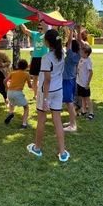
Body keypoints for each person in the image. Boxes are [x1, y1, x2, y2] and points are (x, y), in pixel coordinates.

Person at [27, 29, 70, 162]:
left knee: (41, 120)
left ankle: (37, 148)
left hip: (47, 92)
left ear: (47, 42)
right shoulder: (61, 53)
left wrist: (45, 99)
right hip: (58, 90)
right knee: (57, 121)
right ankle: (62, 152)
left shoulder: (47, 58)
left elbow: (47, 80)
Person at [21, 22, 48, 99]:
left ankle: (45, 94)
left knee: (45, 77)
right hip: (35, 58)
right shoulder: (35, 34)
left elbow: (51, 29)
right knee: (35, 77)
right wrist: (19, 22)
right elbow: (25, 30)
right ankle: (35, 95)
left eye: (41, 28)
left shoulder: (47, 34)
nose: (39, 29)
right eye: (38, 28)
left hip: (44, 58)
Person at [4, 59, 32, 128]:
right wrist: (34, 85)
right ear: (26, 67)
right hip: (18, 92)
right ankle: (24, 124)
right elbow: (29, 86)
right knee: (26, 107)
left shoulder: (13, 73)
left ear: (18, 66)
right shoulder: (26, 74)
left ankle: (11, 113)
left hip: (10, 92)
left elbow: (4, 81)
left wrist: (6, 88)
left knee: (12, 104)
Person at [62, 29, 80, 132]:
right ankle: (71, 121)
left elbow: (69, 43)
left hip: (67, 80)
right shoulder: (77, 55)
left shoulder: (69, 55)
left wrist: (71, 33)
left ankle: (73, 125)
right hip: (72, 80)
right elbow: (74, 43)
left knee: (69, 103)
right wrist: (75, 33)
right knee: (70, 102)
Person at [76, 44, 94, 119]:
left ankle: (91, 113)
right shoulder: (82, 58)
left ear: (86, 53)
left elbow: (91, 72)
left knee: (87, 98)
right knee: (82, 97)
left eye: (82, 52)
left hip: (85, 83)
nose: (80, 53)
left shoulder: (88, 61)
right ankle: (83, 111)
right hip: (79, 82)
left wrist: (88, 83)